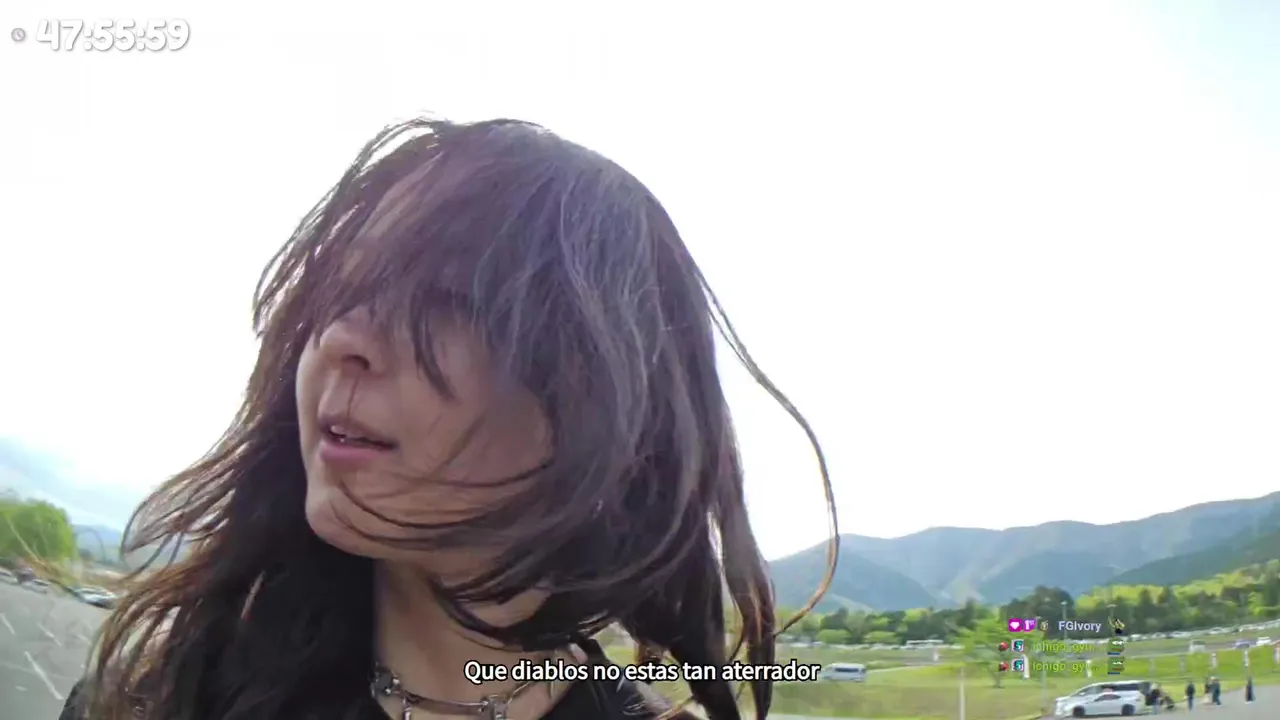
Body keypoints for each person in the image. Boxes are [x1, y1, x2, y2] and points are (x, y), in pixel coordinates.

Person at [58, 118, 835, 720]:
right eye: (341, 288)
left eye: (449, 301)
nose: (342, 338)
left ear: (604, 408)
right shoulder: (160, 693)